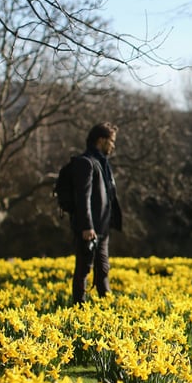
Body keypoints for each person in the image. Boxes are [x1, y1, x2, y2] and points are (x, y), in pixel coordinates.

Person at [70, 122, 122, 304]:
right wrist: (87, 226)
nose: (113, 145)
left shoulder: (102, 164)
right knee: (84, 269)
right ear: (101, 140)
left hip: (102, 227)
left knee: (103, 269)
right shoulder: (86, 163)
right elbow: (82, 197)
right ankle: (79, 308)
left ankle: (107, 309)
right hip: (89, 229)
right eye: (111, 141)